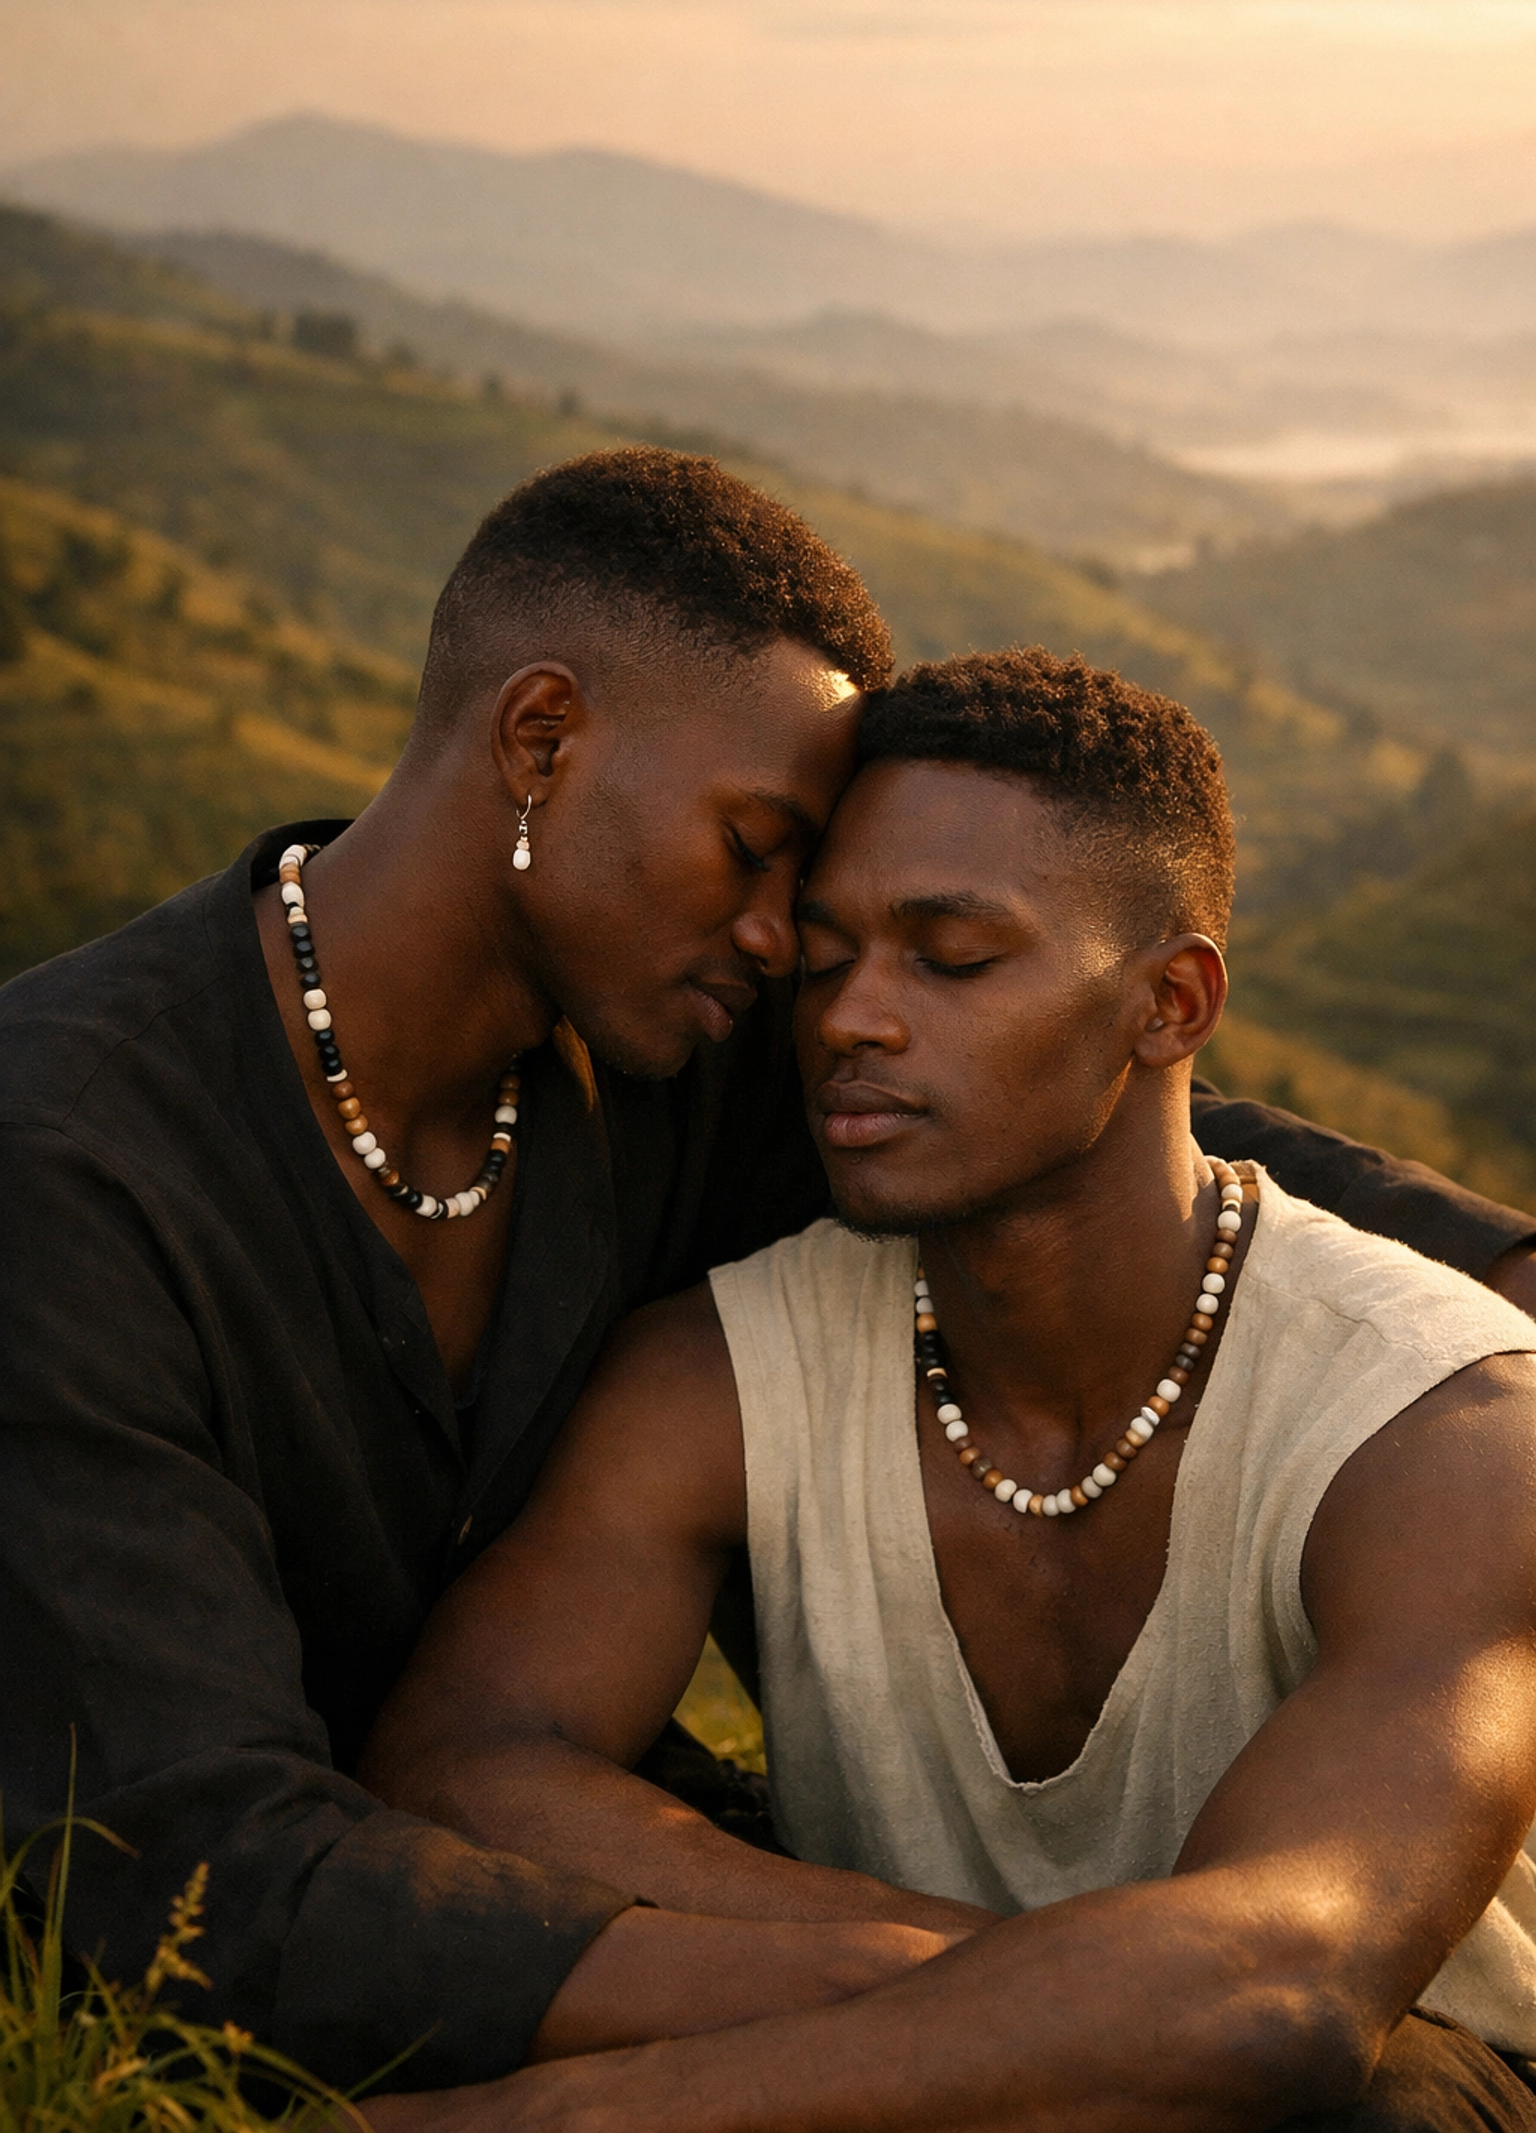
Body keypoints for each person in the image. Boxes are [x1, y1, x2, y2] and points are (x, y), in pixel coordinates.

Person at [1, 444, 1531, 2099]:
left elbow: (1087, 1118)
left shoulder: (673, 1045)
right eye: (755, 852)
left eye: (889, 939)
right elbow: (182, 1860)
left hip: (616, 1889)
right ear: (539, 739)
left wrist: (1484, 1277)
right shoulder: (69, 1174)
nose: (805, 969)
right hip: (267, 1889)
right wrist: (999, 1993)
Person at [365, 649, 1536, 2132]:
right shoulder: (721, 1374)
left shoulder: (1446, 1421)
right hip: (886, 2080)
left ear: (1170, 1004)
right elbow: (459, 1758)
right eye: (830, 957)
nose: (853, 1017)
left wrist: (563, 2122)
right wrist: (980, 1981)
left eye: (952, 958)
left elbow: (1278, 1996)